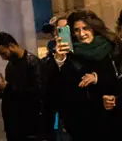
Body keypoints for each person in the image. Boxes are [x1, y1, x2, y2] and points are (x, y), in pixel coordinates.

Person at [50, 9, 120, 139]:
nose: (82, 34)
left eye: (85, 28)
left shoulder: (111, 48)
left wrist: (98, 77)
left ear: (93, 27)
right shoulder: (69, 53)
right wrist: (59, 60)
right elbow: (58, 86)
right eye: (76, 30)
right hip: (81, 122)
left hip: (110, 118)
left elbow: (118, 77)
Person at [0, 31, 45, 141]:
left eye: (3, 53)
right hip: (14, 123)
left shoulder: (33, 63)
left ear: (12, 46)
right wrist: (0, 90)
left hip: (30, 124)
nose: (3, 58)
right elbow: (11, 95)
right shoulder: (10, 66)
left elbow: (37, 91)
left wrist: (7, 88)